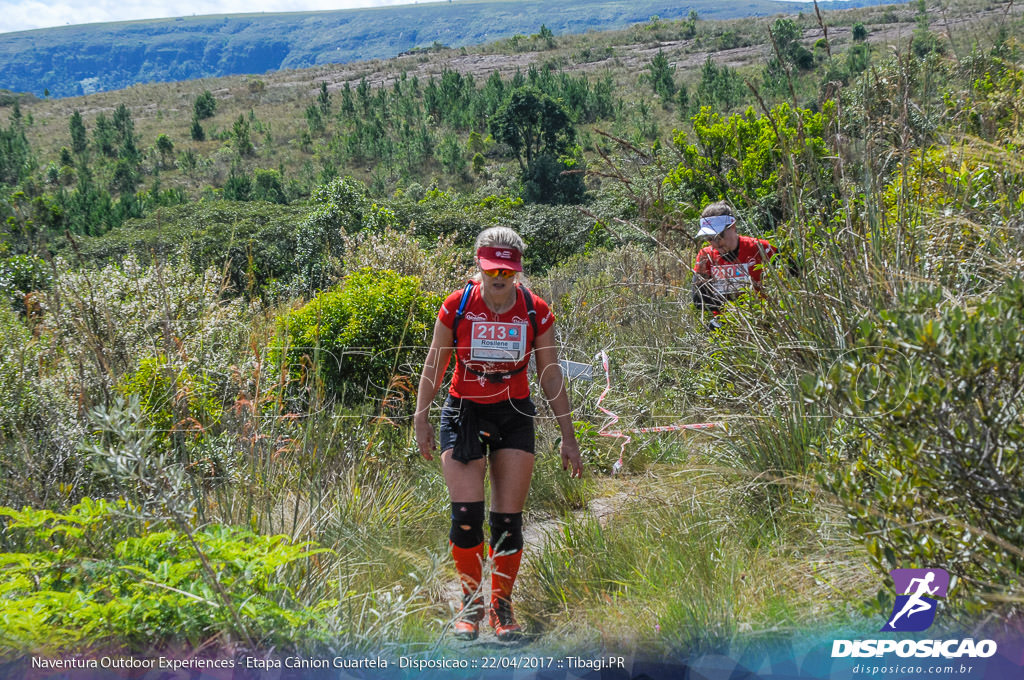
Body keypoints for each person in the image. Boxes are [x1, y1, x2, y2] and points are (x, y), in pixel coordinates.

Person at [414, 226, 583, 642]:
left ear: (519, 271)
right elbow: (435, 366)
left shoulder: (535, 310)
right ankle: (470, 605)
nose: (500, 278)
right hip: (464, 413)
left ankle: (502, 607)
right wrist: (420, 417)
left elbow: (550, 373)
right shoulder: (457, 305)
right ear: (479, 265)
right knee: (467, 519)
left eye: (508, 271)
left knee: (507, 522)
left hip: (514, 414)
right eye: (492, 270)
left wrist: (569, 435)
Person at [691, 201, 777, 323]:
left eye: (719, 237)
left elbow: (793, 274)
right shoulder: (706, 256)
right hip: (728, 323)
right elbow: (699, 300)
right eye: (709, 239)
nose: (715, 244)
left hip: (763, 318)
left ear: (733, 226)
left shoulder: (760, 248)